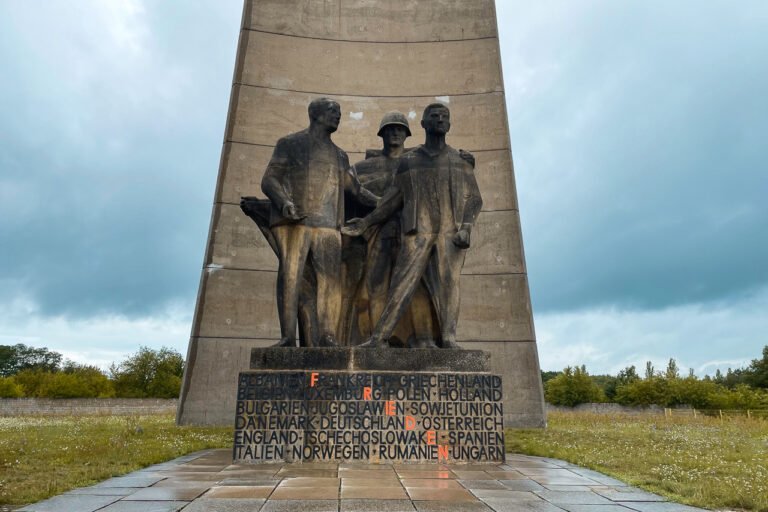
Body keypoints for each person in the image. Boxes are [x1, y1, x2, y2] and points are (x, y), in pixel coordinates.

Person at [342, 103, 482, 349]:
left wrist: (467, 227)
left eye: (444, 117)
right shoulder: (410, 161)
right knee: (401, 284)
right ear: (424, 123)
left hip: (450, 236)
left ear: (449, 124)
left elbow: (474, 199)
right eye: (434, 116)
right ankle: (378, 338)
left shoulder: (459, 161)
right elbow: (393, 200)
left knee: (449, 285)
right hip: (416, 233)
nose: (439, 120)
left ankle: (449, 338)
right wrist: (366, 222)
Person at [261, 97, 376, 347]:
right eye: (333, 111)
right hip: (294, 223)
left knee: (330, 282)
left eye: (340, 112)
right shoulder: (290, 144)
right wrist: (284, 203)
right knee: (291, 276)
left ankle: (328, 335)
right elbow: (270, 179)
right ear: (315, 114)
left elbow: (355, 190)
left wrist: (386, 203)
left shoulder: (340, 155)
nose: (338, 116)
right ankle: (288, 337)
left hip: (328, 227)